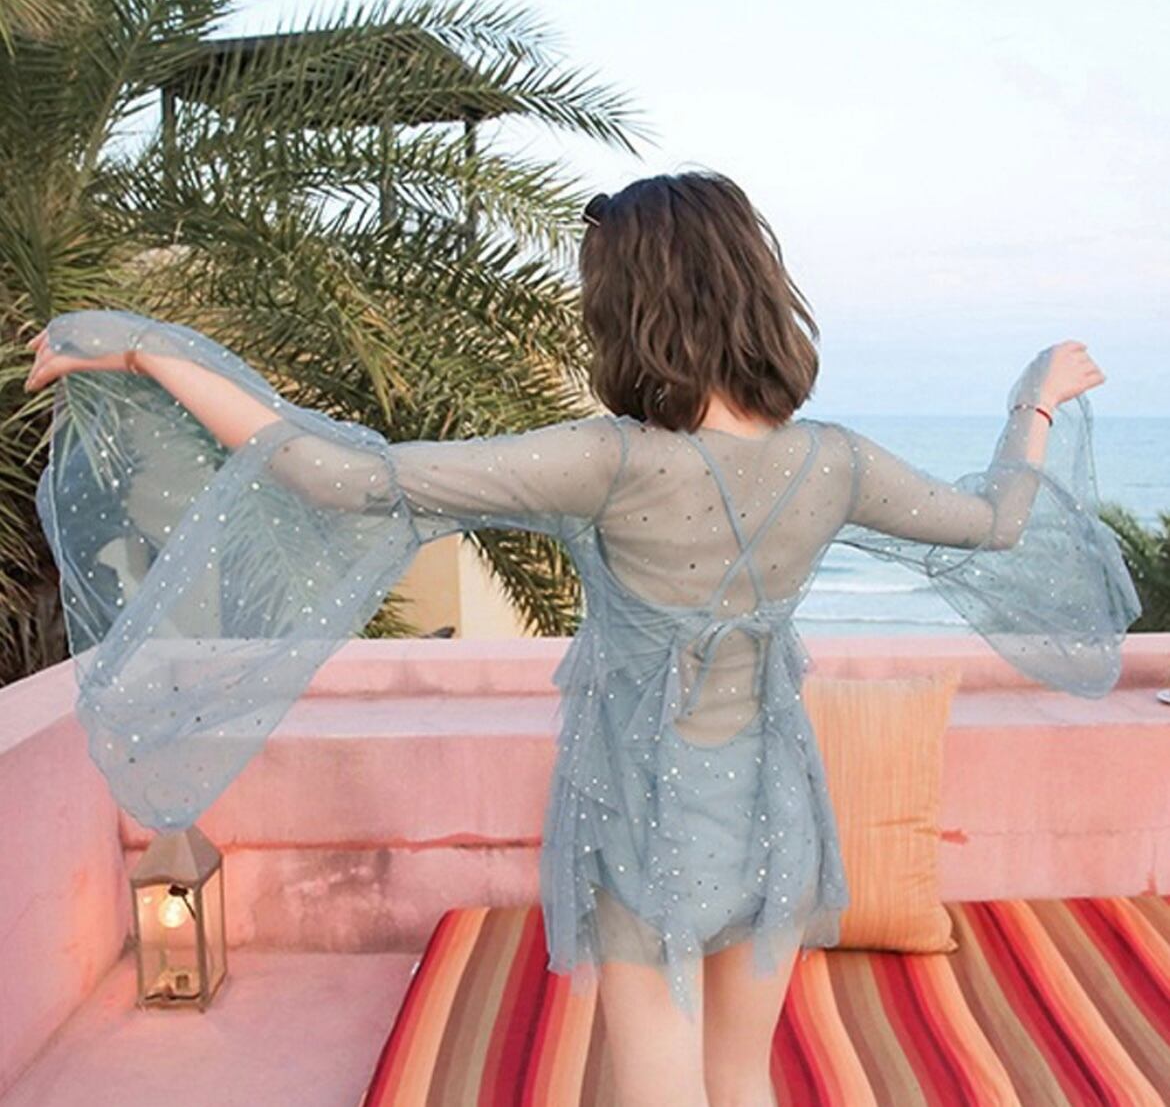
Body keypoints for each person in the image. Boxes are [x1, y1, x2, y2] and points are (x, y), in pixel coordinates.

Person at [25, 170, 1138, 1107]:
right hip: (777, 799)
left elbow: (340, 476)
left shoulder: (609, 460)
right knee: (739, 1076)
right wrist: (1032, 403)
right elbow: (999, 521)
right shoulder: (836, 460)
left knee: (657, 1073)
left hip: (646, 808)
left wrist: (154, 354)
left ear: (633, 311)